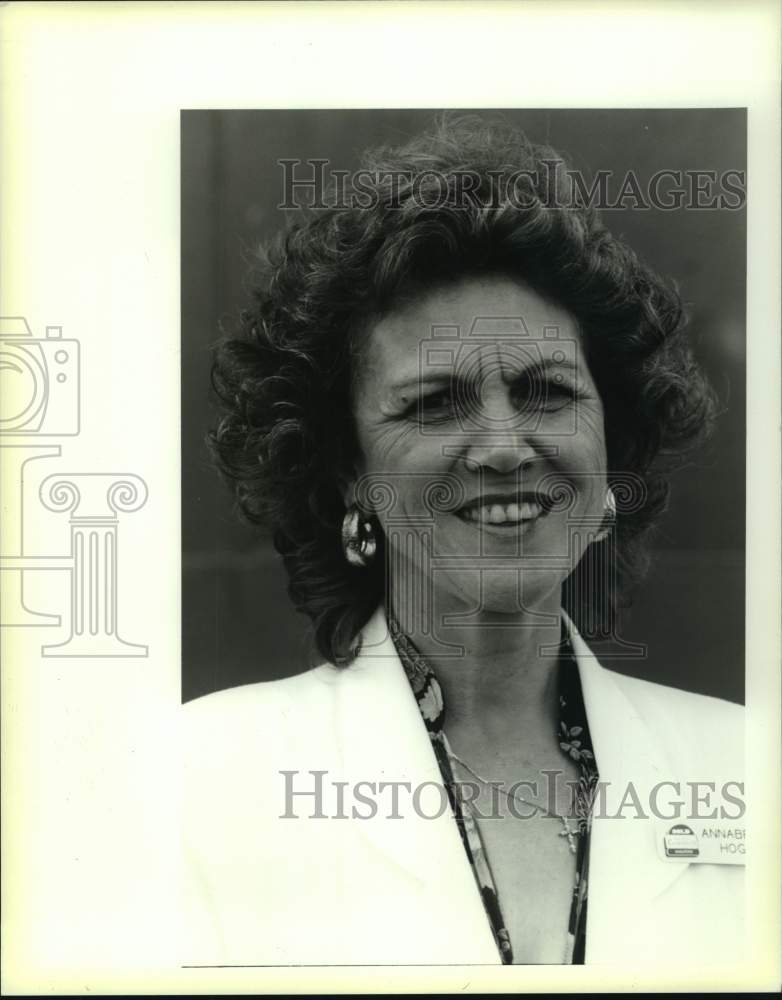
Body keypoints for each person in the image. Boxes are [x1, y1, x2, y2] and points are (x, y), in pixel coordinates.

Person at [183, 117, 744, 966]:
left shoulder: (748, 766)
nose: (505, 445)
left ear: (611, 446)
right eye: (434, 403)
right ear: (349, 475)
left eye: (546, 391)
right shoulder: (197, 777)